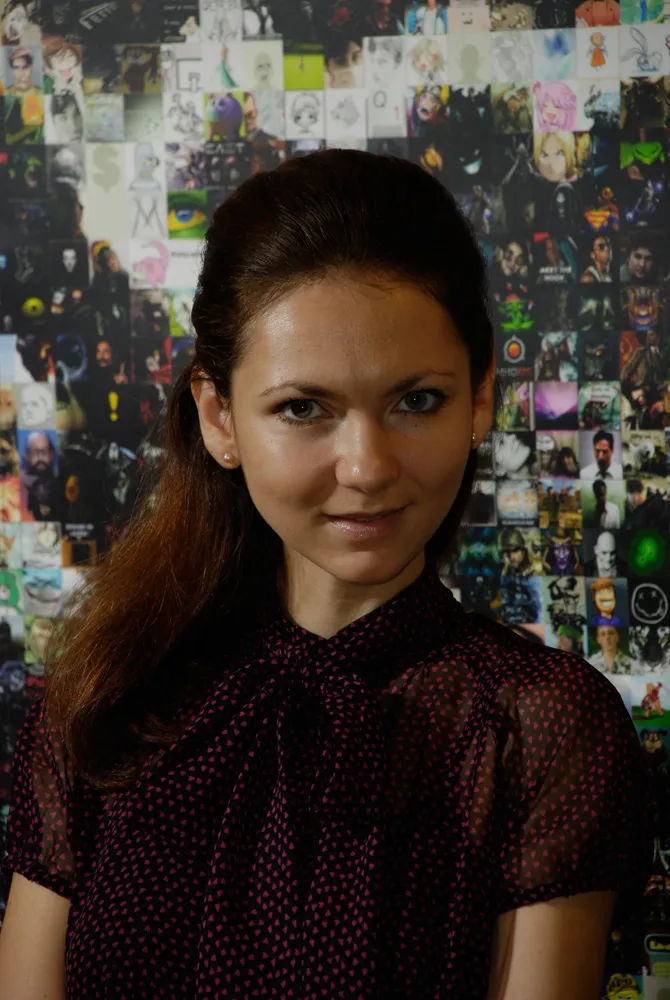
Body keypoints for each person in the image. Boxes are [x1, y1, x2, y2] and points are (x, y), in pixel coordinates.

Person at [0, 150, 648, 999]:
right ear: (219, 417)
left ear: (481, 395)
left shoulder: (541, 728)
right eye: (303, 408)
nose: (367, 467)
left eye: (416, 400)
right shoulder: (107, 694)